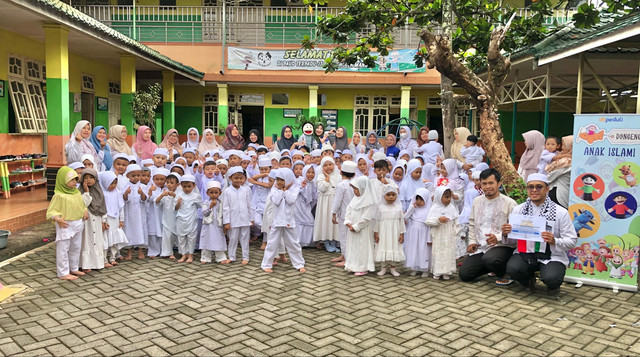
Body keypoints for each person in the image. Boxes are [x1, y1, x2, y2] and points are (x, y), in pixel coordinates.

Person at [502, 173, 578, 294]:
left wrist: (554, 241)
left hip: (552, 255)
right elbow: (513, 241)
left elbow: (572, 240)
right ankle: (528, 280)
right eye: (530, 187)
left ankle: (553, 285)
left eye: (539, 187)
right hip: (525, 252)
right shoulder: (519, 210)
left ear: (547, 189)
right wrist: (506, 234)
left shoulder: (560, 212)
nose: (534, 190)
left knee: (552, 278)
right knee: (513, 269)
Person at [459, 169, 518, 285]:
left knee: (491, 259)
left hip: (503, 246)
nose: (487, 187)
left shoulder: (510, 203)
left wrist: (498, 237)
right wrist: (472, 241)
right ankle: (492, 268)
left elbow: (515, 229)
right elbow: (472, 223)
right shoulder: (477, 201)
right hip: (482, 247)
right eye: (484, 183)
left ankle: (506, 272)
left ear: (499, 184)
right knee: (465, 275)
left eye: (491, 183)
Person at [261, 168, 307, 273]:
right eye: (277, 179)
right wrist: (281, 190)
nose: (279, 182)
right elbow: (276, 201)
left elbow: (291, 200)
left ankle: (299, 264)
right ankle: (266, 264)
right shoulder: (274, 189)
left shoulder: (295, 188)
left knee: (293, 243)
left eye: (282, 179)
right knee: (272, 243)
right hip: (276, 220)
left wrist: (285, 190)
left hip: (289, 220)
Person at [47, 166, 88, 280]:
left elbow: (82, 205)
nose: (75, 182)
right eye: (72, 180)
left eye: (76, 179)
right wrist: (57, 218)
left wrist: (84, 211)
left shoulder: (76, 193)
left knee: (76, 247)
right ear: (63, 180)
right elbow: (51, 211)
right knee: (63, 248)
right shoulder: (59, 195)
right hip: (65, 224)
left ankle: (74, 268)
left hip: (78, 223)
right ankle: (63, 272)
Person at [343, 176, 377, 276]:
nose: (354, 191)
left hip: (363, 230)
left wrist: (357, 227)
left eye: (356, 189)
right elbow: (348, 209)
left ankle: (363, 267)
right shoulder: (355, 199)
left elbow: (367, 217)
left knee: (362, 247)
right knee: (353, 247)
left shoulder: (369, 202)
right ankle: (353, 265)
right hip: (352, 227)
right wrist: (348, 221)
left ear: (363, 188)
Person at [426, 186, 460, 280]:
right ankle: (438, 271)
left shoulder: (451, 207)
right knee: (439, 251)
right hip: (439, 232)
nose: (448, 199)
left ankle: (446, 271)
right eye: (445, 197)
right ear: (439, 196)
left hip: (448, 232)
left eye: (449, 197)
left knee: (448, 251)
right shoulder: (434, 208)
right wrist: (438, 220)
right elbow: (428, 221)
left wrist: (455, 230)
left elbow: (456, 219)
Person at [222, 167, 254, 264]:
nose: (238, 180)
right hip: (233, 219)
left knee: (245, 238)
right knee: (233, 239)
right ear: (230, 178)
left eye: (241, 178)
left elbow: (250, 205)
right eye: (236, 178)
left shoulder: (246, 190)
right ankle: (231, 257)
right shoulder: (227, 191)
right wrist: (226, 222)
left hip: (245, 218)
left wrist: (251, 218)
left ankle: (246, 257)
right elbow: (225, 207)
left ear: (244, 179)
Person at [374, 185, 406, 276]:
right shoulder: (380, 208)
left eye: (393, 194)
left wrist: (401, 234)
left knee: (393, 247)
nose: (391, 197)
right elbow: (377, 221)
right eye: (388, 195)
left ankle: (393, 268)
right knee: (383, 246)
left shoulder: (398, 208)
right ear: (384, 196)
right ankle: (383, 267)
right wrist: (376, 233)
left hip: (394, 232)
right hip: (383, 232)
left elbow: (401, 222)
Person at [98, 171, 127, 267]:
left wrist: (121, 220)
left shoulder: (117, 193)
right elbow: (101, 208)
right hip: (106, 219)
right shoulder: (102, 194)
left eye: (115, 183)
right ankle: (104, 259)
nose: (113, 186)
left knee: (114, 239)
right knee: (105, 239)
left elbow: (121, 207)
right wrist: (103, 220)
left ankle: (113, 257)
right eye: (111, 183)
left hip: (115, 219)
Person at [79, 168, 105, 272]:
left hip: (97, 220)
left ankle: (97, 263)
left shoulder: (99, 191)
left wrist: (104, 221)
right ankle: (85, 264)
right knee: (87, 241)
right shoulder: (80, 191)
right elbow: (83, 204)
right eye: (85, 178)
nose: (88, 180)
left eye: (91, 177)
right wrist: (86, 191)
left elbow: (103, 207)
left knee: (96, 240)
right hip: (87, 221)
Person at [331, 161, 357, 266]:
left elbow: (337, 201)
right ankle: (343, 254)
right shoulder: (354, 184)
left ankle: (347, 259)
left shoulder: (341, 185)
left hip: (345, 214)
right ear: (354, 175)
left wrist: (333, 213)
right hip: (352, 213)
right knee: (345, 235)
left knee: (344, 236)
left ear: (341, 172)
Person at [313, 157, 341, 252]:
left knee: (334, 223)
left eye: (330, 164)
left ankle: (333, 242)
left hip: (334, 202)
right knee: (325, 221)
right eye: (325, 165)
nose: (328, 167)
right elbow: (322, 189)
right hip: (325, 204)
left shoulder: (338, 176)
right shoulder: (320, 177)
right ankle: (326, 242)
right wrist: (327, 179)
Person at [174, 174, 204, 263]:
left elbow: (201, 205)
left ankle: (190, 255)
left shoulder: (196, 196)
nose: (187, 188)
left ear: (194, 185)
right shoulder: (178, 195)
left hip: (191, 220)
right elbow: (175, 208)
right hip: (181, 219)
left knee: (192, 237)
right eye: (184, 186)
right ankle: (183, 254)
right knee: (181, 237)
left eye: (189, 186)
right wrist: (178, 203)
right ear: (181, 186)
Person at [403, 188, 432, 277]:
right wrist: (411, 208)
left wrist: (429, 238)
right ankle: (415, 267)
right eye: (417, 199)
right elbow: (405, 218)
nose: (418, 202)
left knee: (423, 250)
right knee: (414, 249)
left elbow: (430, 226)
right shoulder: (414, 209)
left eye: (421, 199)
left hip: (424, 233)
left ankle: (424, 269)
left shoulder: (429, 211)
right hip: (413, 233)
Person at [122, 164, 147, 260]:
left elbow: (144, 200)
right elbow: (123, 199)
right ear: (128, 176)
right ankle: (129, 253)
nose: (136, 177)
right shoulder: (125, 186)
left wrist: (142, 194)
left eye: (138, 175)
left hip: (140, 213)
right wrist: (126, 194)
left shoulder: (143, 186)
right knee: (129, 231)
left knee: (141, 230)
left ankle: (140, 252)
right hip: (129, 213)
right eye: (133, 175)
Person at [200, 181, 228, 264]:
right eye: (211, 192)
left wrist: (225, 224)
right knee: (206, 239)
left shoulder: (222, 203)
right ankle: (205, 257)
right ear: (207, 193)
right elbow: (204, 213)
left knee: (218, 240)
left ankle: (220, 257)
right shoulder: (206, 202)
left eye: (216, 192)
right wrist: (210, 206)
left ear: (220, 192)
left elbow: (225, 214)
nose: (214, 195)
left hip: (218, 225)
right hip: (208, 226)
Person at [156, 173, 180, 260]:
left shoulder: (179, 193)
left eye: (171, 182)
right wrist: (162, 195)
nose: (169, 184)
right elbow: (157, 202)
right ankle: (168, 252)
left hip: (177, 219)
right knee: (167, 236)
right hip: (167, 219)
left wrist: (174, 196)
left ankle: (183, 251)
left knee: (179, 235)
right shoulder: (164, 193)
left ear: (177, 184)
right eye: (167, 182)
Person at [546, 135, 573, 208]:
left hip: (559, 194)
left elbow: (550, 177)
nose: (562, 147)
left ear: (570, 146)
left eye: (564, 145)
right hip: (558, 191)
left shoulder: (566, 162)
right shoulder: (565, 159)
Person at [296, 165, 317, 248]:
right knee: (302, 221)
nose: (310, 174)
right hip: (298, 205)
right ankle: (298, 241)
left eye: (312, 172)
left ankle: (305, 242)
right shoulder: (299, 180)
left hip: (306, 206)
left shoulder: (313, 183)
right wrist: (302, 186)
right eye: (308, 172)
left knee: (309, 221)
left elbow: (314, 196)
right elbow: (296, 191)